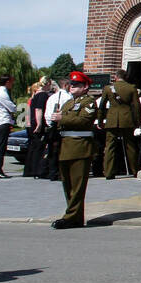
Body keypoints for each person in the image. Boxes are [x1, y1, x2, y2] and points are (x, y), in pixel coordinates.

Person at [53, 72, 99, 229]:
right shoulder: (68, 103)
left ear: (85, 87)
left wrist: (62, 119)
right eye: (71, 85)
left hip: (80, 146)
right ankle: (75, 217)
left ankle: (70, 216)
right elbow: (61, 121)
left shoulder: (89, 102)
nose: (72, 87)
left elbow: (83, 121)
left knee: (77, 186)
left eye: (77, 85)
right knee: (68, 185)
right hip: (66, 146)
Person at [99, 69, 141, 180]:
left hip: (112, 119)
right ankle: (134, 170)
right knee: (130, 146)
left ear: (116, 77)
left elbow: (102, 106)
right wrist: (137, 121)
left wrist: (100, 120)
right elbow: (136, 106)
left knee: (110, 147)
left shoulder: (108, 88)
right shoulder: (131, 88)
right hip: (127, 119)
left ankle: (108, 172)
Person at [43, 77, 72, 182]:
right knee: (61, 151)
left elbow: (47, 114)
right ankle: (61, 173)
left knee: (52, 151)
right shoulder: (68, 97)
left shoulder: (51, 97)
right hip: (62, 127)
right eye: (70, 85)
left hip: (51, 126)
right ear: (66, 85)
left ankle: (52, 173)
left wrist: (49, 124)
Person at [24, 80, 53, 178]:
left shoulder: (34, 96)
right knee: (39, 148)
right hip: (37, 124)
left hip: (31, 123)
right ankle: (37, 170)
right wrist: (39, 124)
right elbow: (39, 109)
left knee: (33, 147)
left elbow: (28, 110)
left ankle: (29, 170)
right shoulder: (43, 95)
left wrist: (28, 123)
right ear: (47, 84)